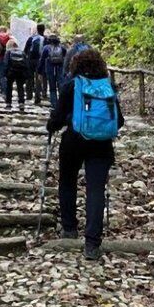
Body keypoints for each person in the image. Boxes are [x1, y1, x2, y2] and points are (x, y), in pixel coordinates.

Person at [47, 47, 124, 261]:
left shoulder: (71, 85)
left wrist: (51, 126)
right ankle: (92, 243)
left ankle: (70, 228)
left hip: (73, 140)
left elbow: (59, 116)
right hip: (101, 145)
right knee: (95, 190)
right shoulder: (107, 87)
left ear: (75, 65)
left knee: (67, 182)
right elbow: (120, 121)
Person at [38, 32, 67, 109]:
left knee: (52, 87)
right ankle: (62, 103)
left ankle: (54, 104)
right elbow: (66, 59)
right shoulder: (62, 48)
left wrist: (39, 72)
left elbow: (41, 60)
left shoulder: (46, 48)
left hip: (50, 69)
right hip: (60, 69)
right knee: (60, 86)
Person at [24, 23, 46, 105]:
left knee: (29, 78)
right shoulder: (45, 39)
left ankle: (28, 95)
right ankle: (37, 96)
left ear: (37, 29)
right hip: (40, 61)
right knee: (38, 79)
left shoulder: (31, 38)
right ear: (44, 29)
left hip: (30, 60)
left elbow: (25, 50)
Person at [4, 37, 28, 112]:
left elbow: (6, 63)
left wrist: (5, 73)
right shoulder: (22, 52)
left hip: (11, 72)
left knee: (9, 87)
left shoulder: (8, 52)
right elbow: (26, 63)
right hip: (20, 72)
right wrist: (26, 74)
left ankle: (8, 103)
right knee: (20, 87)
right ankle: (21, 103)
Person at [0, 26, 11, 100]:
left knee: (1, 75)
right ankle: (7, 90)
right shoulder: (10, 37)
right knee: (7, 75)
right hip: (9, 58)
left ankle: (3, 91)